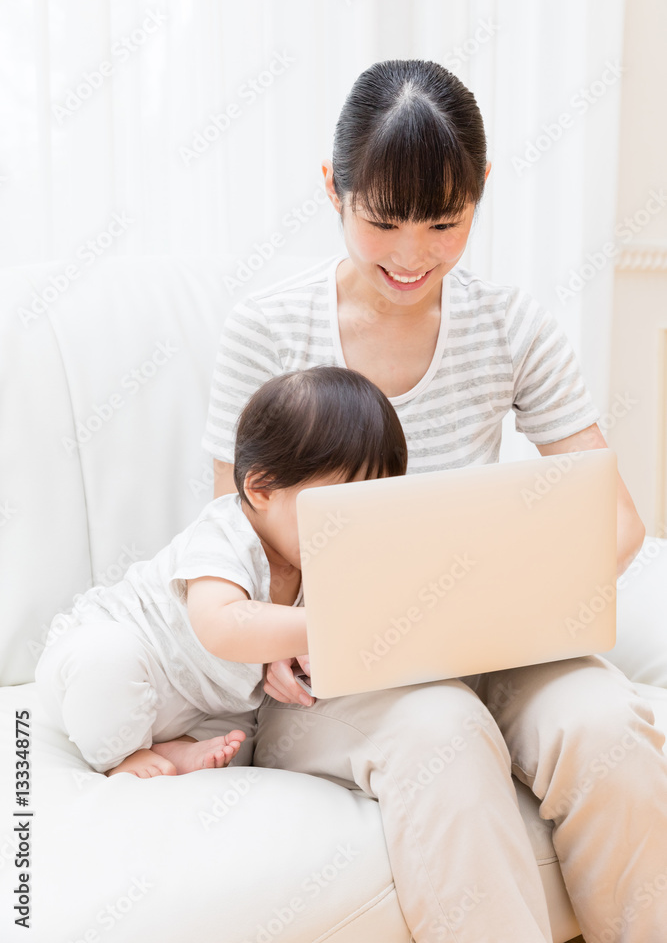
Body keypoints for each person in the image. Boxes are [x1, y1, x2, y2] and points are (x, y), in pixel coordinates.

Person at [197, 59, 667, 942]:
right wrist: (269, 641)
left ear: (480, 191)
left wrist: (519, 596)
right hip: (339, 673)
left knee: (605, 725)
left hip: (493, 642)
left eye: (444, 223)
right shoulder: (267, 330)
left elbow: (618, 521)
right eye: (381, 222)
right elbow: (228, 532)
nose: (411, 256)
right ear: (333, 188)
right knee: (442, 732)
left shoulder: (513, 324)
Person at [34, 366, 407, 778]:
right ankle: (122, 756)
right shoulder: (224, 534)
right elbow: (223, 624)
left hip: (203, 702)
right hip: (127, 656)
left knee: (242, 737)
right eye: (339, 509)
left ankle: (181, 750)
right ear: (261, 489)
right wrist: (332, 625)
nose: (353, 529)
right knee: (105, 662)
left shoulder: (323, 558)